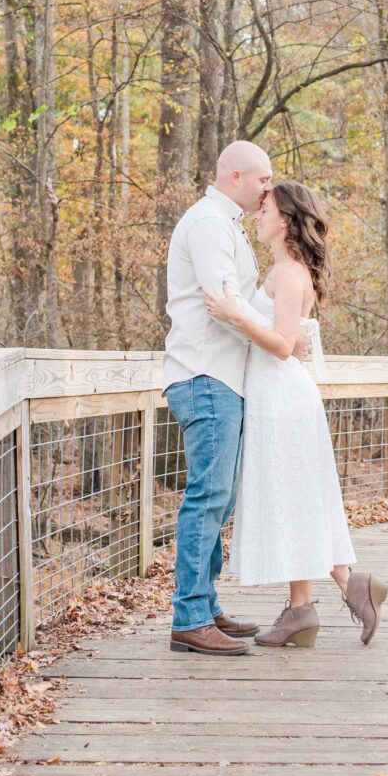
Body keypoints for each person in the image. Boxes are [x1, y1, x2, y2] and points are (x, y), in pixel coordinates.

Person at [206, 181, 388, 647]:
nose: (257, 214)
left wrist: (235, 315)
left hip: (283, 398)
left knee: (296, 496)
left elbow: (284, 346)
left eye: (264, 208)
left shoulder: (289, 274)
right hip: (272, 397)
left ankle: (323, 600)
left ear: (285, 219)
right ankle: (318, 602)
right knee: (296, 497)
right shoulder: (283, 269)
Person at [163, 141, 285, 656]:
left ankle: (205, 607)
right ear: (236, 175)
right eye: (263, 180)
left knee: (220, 498)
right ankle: (189, 616)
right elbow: (224, 304)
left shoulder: (223, 222)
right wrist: (282, 336)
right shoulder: (210, 224)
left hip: (222, 378)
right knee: (207, 497)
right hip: (205, 375)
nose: (268, 189)